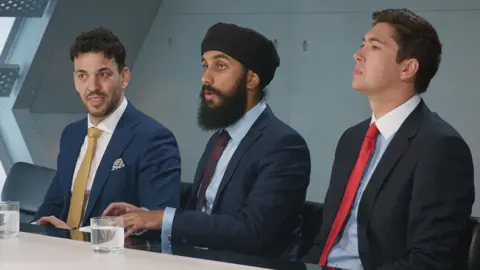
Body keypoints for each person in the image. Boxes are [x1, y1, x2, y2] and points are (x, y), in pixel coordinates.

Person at [103, 22, 311, 260]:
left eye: (220, 66)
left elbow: (254, 232)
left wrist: (164, 218)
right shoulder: (219, 140)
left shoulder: (283, 145)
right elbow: (201, 217)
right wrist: (148, 218)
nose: (205, 77)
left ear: (251, 79)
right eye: (205, 65)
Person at [304, 8, 475, 270]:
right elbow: (326, 237)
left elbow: (430, 261)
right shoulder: (352, 138)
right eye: (362, 44)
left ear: (407, 68)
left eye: (374, 46)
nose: (357, 54)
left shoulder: (440, 147)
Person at [33, 27, 182, 231]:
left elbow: (159, 222)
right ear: (75, 81)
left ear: (124, 77)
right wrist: (38, 226)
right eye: (83, 76)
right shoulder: (71, 134)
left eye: (103, 74)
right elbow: (54, 204)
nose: (93, 87)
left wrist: (77, 236)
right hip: (61, 253)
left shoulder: (154, 138)